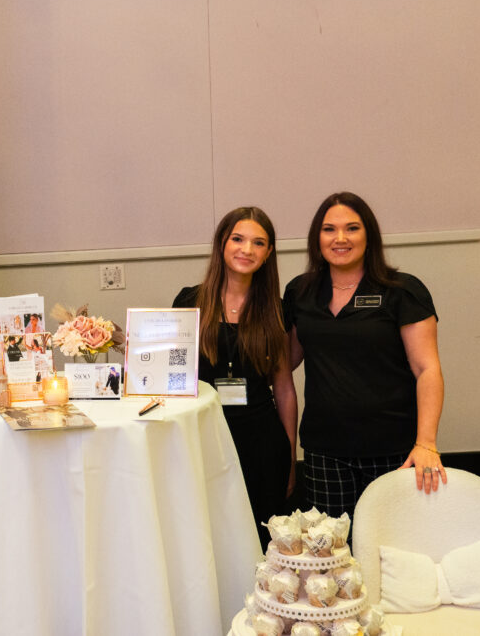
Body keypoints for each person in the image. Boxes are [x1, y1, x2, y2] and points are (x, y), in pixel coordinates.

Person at [283, 191, 445, 521]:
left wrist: (426, 443)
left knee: (391, 544)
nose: (340, 238)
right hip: (324, 450)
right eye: (329, 229)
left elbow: (427, 368)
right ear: (317, 238)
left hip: (393, 449)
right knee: (330, 551)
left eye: (352, 228)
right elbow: (285, 361)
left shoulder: (401, 290)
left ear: (368, 236)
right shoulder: (300, 292)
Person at [173, 207, 297, 550]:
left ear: (269, 252)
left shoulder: (276, 309)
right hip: (204, 434)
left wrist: (289, 456)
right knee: (209, 536)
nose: (247, 250)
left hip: (261, 440)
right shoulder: (190, 301)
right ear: (222, 244)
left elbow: (284, 388)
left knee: (261, 538)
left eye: (259, 243)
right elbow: (172, 374)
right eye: (238, 239)